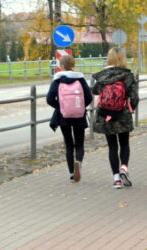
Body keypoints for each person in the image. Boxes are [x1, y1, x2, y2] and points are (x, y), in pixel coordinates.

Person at [91, 47, 139, 189]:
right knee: (124, 144)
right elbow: (134, 97)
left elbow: (94, 91)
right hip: (122, 113)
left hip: (106, 114)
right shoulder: (127, 76)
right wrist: (131, 109)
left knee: (112, 146)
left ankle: (116, 179)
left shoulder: (102, 76)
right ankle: (124, 167)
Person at [46, 53, 93, 182]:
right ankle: (78, 161)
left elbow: (49, 99)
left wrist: (61, 107)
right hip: (79, 115)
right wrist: (80, 107)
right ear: (73, 65)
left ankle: (72, 172)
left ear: (61, 66)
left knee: (68, 144)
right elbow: (89, 97)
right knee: (79, 144)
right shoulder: (80, 79)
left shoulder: (57, 80)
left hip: (63, 116)